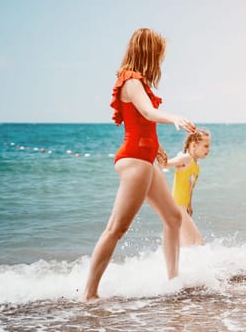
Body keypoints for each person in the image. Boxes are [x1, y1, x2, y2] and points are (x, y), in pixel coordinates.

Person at [83, 28, 196, 301]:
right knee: (116, 228)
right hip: (135, 161)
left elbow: (141, 123)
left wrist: (156, 146)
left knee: (173, 217)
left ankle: (173, 281)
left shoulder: (140, 83)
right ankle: (89, 294)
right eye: (159, 54)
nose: (161, 60)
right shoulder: (131, 81)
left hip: (145, 159)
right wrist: (174, 118)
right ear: (148, 52)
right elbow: (147, 112)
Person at [165, 130, 211, 246]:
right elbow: (166, 164)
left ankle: (179, 263)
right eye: (205, 146)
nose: (208, 150)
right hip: (176, 207)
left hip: (182, 208)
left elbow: (190, 188)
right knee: (199, 243)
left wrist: (189, 205)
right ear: (194, 145)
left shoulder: (197, 167)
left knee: (185, 243)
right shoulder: (185, 159)